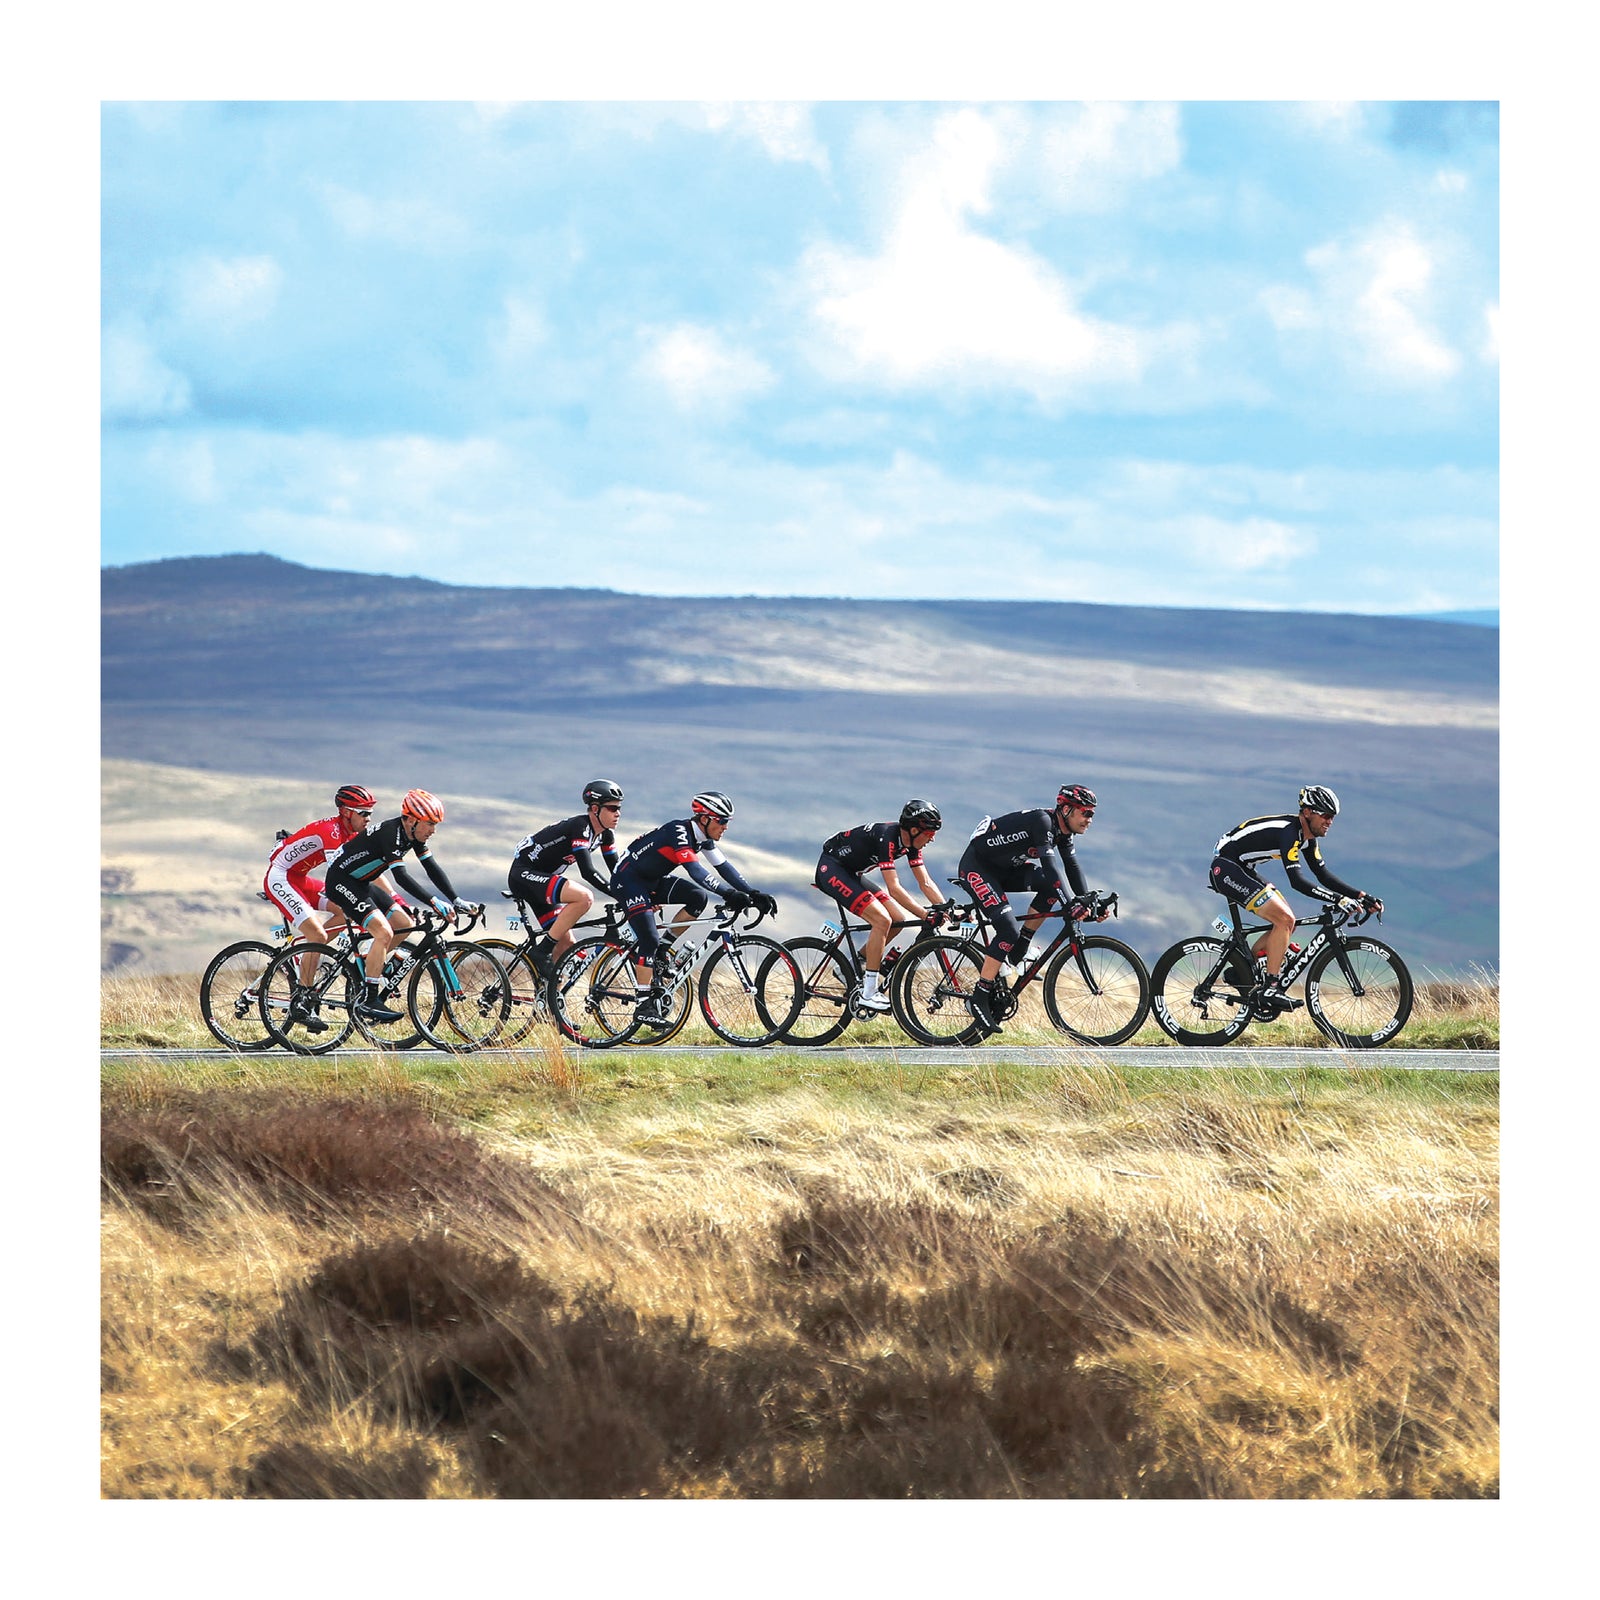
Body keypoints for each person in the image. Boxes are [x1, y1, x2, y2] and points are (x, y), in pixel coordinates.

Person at [1209, 784, 1384, 1017]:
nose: (1330, 821)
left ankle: (1242, 973)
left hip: (1242, 868)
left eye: (1333, 817)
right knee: (1284, 918)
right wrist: (1338, 900)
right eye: (1326, 815)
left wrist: (1360, 896)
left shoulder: (1307, 838)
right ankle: (1271, 987)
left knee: (1286, 922)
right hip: (1226, 868)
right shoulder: (1290, 832)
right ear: (1308, 812)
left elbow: (1323, 875)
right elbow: (1297, 881)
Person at [609, 791, 779, 1024]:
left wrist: (753, 893)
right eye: (722, 821)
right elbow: (696, 871)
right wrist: (728, 893)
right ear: (705, 819)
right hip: (628, 880)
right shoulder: (678, 832)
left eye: (727, 821)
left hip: (651, 881)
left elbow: (724, 867)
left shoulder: (703, 839)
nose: (726, 827)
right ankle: (643, 1005)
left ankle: (662, 950)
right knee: (648, 938)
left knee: (697, 898)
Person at [959, 784, 1111, 1033]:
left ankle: (1021, 946)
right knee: (1007, 929)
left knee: (1051, 888)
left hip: (1004, 871)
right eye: (1086, 813)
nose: (1089, 819)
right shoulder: (1043, 822)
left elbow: (1071, 866)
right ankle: (979, 995)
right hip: (978, 868)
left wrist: (1088, 902)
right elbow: (1051, 868)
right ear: (1066, 809)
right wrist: (1069, 903)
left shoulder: (1064, 833)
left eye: (1092, 814)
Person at [321, 788, 481, 1025]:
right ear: (413, 820)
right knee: (383, 932)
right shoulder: (392, 833)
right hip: (341, 882)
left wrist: (455, 899)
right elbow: (402, 877)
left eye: (435, 825)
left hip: (361, 883)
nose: (433, 831)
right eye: (429, 824)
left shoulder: (412, 835)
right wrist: (434, 901)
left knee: (404, 924)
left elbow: (432, 868)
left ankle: (369, 970)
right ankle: (369, 1000)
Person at [815, 799, 949, 1012]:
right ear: (914, 830)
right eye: (930, 834)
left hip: (851, 873)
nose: (932, 839)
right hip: (831, 868)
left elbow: (925, 882)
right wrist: (924, 915)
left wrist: (944, 909)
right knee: (882, 919)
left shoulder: (910, 844)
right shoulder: (887, 837)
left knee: (898, 920)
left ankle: (850, 966)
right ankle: (869, 992)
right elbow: (894, 888)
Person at [262, 784, 376, 1000]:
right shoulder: (332, 832)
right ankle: (303, 997)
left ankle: (308, 952)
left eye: (370, 813)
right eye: (364, 813)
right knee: (317, 935)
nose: (368, 818)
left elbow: (368, 869)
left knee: (345, 913)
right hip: (280, 878)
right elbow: (341, 876)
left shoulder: (349, 833)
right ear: (346, 812)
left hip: (300, 879)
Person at [507, 779, 624, 977]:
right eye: (612, 808)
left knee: (567, 947)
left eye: (619, 808)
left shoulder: (605, 835)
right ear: (595, 809)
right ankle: (541, 951)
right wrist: (618, 894)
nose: (618, 813)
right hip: (524, 875)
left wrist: (641, 893)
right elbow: (587, 871)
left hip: (542, 880)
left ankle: (548, 1002)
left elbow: (619, 872)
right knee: (584, 898)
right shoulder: (581, 826)